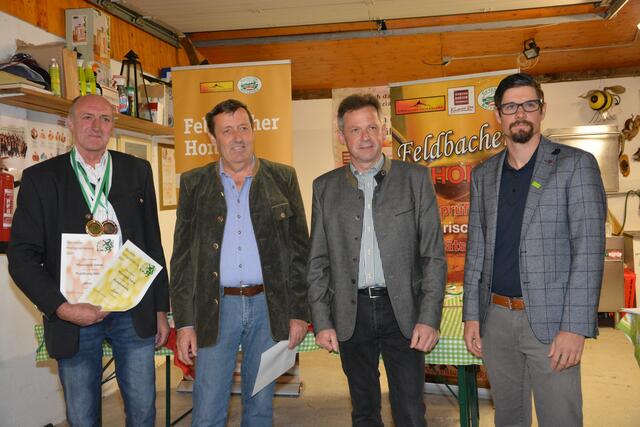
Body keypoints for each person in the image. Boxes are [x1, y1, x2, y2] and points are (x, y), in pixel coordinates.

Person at [8, 94, 170, 426]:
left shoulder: (137, 171)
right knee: (82, 415)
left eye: (105, 119)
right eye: (87, 117)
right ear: (69, 123)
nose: (96, 126)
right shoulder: (41, 178)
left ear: (113, 126)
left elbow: (151, 242)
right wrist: (61, 308)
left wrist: (160, 309)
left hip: (133, 308)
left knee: (143, 409)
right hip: (74, 312)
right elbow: (21, 256)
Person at [463, 72, 606, 426]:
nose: (520, 114)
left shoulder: (576, 165)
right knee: (508, 418)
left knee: (560, 417)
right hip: (496, 319)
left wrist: (575, 326)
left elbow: (588, 252)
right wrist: (471, 315)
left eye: (529, 104)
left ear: (542, 110)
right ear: (498, 115)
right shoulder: (483, 174)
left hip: (553, 322)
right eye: (511, 107)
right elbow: (476, 249)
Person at [307, 93, 447, 426]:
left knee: (410, 410)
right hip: (351, 313)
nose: (365, 137)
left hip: (403, 313)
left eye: (372, 127)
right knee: (364, 411)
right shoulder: (324, 188)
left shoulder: (415, 179)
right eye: (355, 130)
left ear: (384, 129)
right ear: (342, 136)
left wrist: (429, 317)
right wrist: (322, 320)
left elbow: (433, 256)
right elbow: (317, 261)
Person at [170, 98, 309, 426]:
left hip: (268, 307)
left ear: (254, 131)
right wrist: (185, 324)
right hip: (215, 309)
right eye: (227, 131)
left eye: (243, 128)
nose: (237, 138)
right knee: (208, 409)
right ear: (212, 138)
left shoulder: (283, 178)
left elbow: (299, 252)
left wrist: (299, 313)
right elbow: (183, 258)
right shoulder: (194, 184)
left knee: (260, 406)